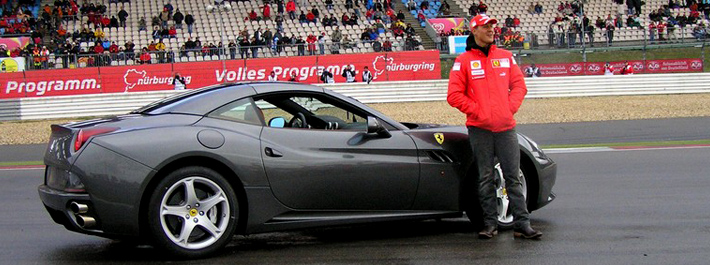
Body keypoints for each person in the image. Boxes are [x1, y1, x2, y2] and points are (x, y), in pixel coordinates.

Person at [447, 14, 541, 240]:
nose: (491, 30)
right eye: (486, 27)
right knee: (485, 177)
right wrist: (479, 111)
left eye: (492, 26)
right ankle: (490, 224)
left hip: (506, 128)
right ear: (475, 30)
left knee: (513, 177)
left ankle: (522, 224)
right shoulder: (464, 61)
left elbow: (519, 86)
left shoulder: (506, 57)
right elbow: (453, 95)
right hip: (480, 129)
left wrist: (509, 108)